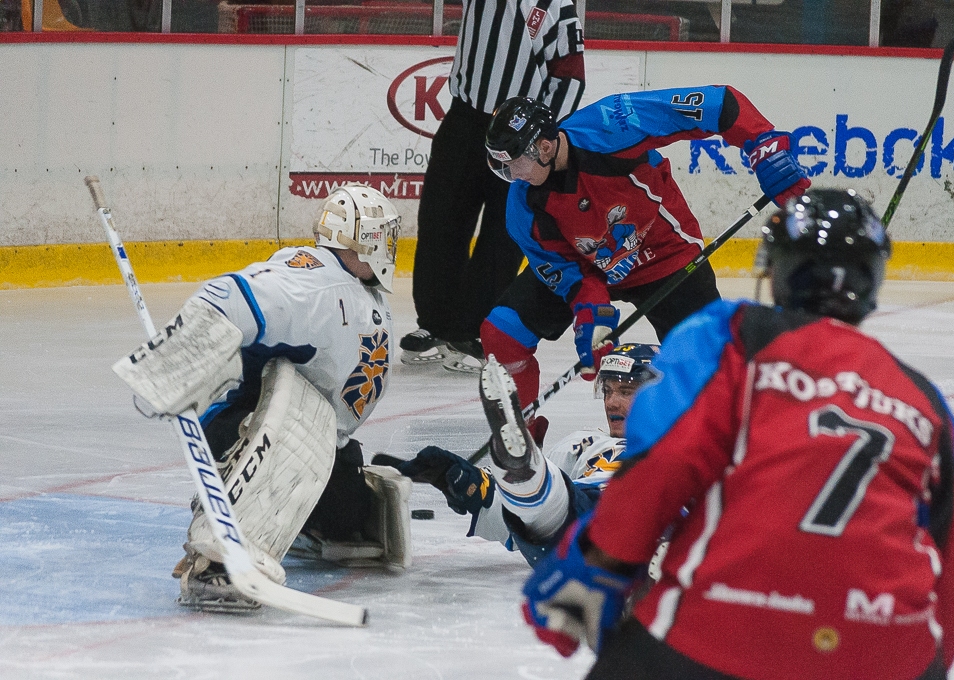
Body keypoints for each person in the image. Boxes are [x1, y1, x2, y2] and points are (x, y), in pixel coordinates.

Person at [521, 189, 954, 679]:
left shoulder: (732, 334)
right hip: (889, 650)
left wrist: (594, 571)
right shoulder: (924, 399)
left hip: (727, 625)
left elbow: (663, 462)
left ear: (777, 270)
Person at [112, 185, 413, 611]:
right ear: (361, 240)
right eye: (384, 236)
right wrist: (178, 357)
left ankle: (312, 519)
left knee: (352, 522)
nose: (390, 246)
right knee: (296, 424)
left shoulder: (355, 288)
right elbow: (229, 296)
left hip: (324, 443)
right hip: (243, 429)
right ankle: (222, 555)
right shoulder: (315, 285)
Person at [479, 88, 811, 436]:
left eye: (514, 162)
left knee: (709, 365)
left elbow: (719, 104)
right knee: (502, 334)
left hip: (664, 256)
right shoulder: (522, 208)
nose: (512, 174)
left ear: (544, 148)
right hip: (592, 267)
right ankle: (520, 440)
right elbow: (570, 274)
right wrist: (590, 314)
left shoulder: (610, 125)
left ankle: (737, 445)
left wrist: (764, 145)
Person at [399, 0, 586, 373]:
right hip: (464, 118)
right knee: (440, 219)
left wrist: (541, 136)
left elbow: (570, 74)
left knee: (503, 235)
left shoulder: (552, 5)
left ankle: (471, 330)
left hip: (519, 134)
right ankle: (435, 322)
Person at [377, 343, 660, 566]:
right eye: (608, 390)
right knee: (552, 506)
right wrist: (473, 489)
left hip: (634, 532)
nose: (611, 402)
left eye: (626, 391)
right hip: (576, 531)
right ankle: (519, 469)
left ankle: (521, 467)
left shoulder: (682, 447)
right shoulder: (582, 444)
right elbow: (520, 524)